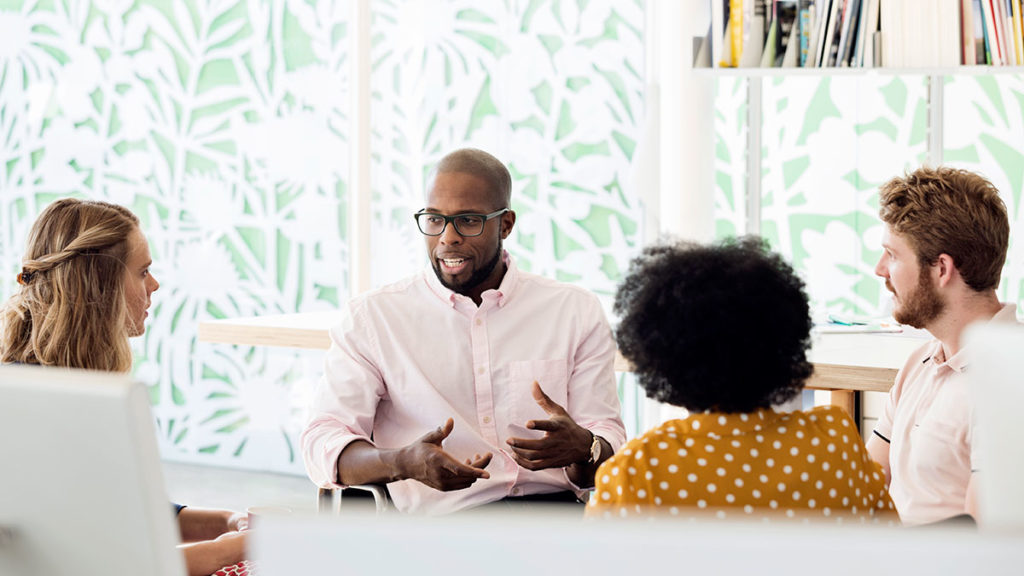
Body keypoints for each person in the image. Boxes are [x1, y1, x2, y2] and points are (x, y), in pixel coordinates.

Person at [302, 148, 626, 515]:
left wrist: (585, 448)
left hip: (556, 519)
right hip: (440, 531)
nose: (448, 237)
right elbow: (322, 439)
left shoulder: (573, 311)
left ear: (505, 224)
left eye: (468, 221)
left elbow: (606, 443)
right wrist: (401, 462)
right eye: (435, 219)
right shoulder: (373, 319)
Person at [0, 198, 248, 576]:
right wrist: (232, 549)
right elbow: (118, 563)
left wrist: (228, 521)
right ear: (101, 284)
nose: (155, 284)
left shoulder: (49, 386)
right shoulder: (53, 410)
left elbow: (119, 510)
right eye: (143, 271)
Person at [587, 237, 895, 521]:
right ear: (785, 342)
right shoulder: (835, 445)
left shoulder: (637, 473)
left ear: (660, 354)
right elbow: (890, 549)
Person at [866, 166, 1018, 526]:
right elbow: (865, 484)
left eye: (893, 254)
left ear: (942, 269)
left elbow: (984, 541)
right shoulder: (920, 362)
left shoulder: (1009, 380)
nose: (880, 269)